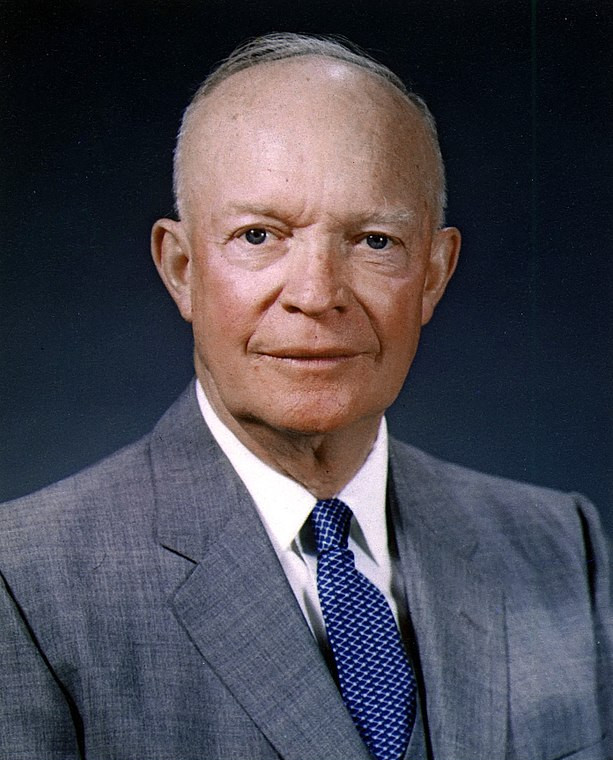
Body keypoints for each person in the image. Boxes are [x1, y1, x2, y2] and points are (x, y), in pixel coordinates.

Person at [0, 32, 610, 760]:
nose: (317, 295)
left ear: (434, 274)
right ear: (182, 269)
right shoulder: (26, 582)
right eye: (259, 235)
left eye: (374, 241)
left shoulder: (559, 544)